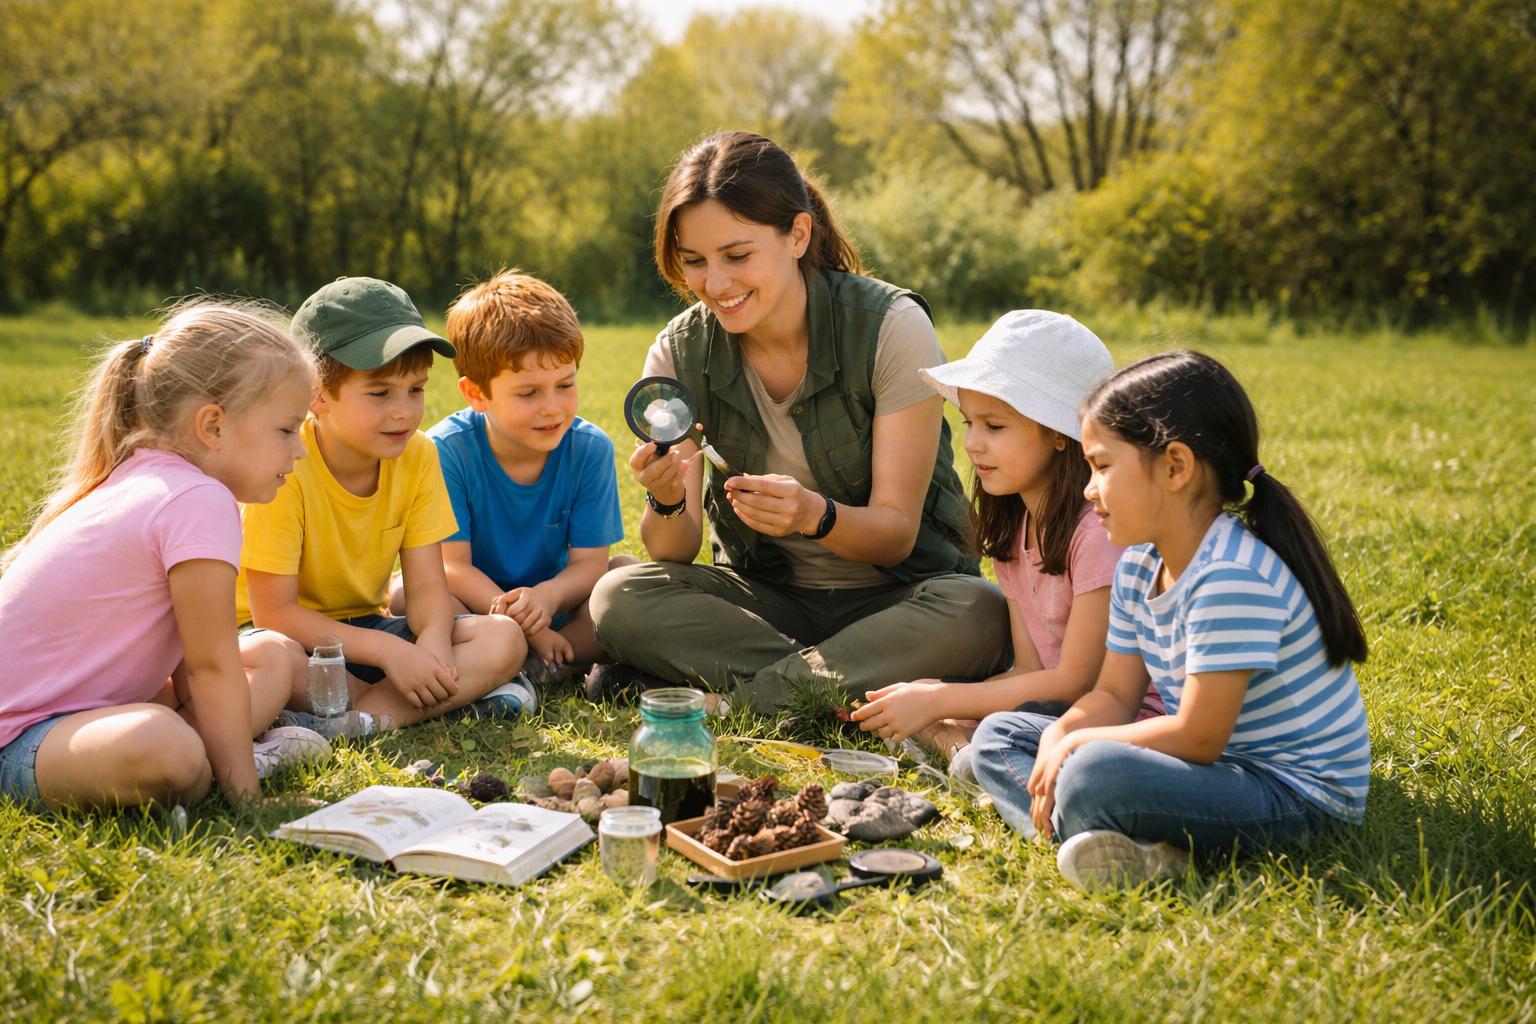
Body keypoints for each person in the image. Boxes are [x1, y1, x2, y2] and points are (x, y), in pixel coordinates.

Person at [588, 131, 1009, 712]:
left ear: (798, 235)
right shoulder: (678, 353)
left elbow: (895, 534)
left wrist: (814, 516)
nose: (716, 284)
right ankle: (838, 685)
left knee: (981, 612)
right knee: (619, 595)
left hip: (901, 597)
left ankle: (737, 699)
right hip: (769, 603)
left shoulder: (891, 326)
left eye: (737, 256)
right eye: (695, 262)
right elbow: (674, 551)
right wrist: (664, 501)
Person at [970, 350, 1371, 890]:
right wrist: (1062, 731)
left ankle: (1079, 828)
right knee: (999, 736)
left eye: (1102, 467)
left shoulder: (1230, 575)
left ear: (1175, 467)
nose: (1088, 488)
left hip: (1294, 795)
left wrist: (1078, 748)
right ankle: (1112, 845)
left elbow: (1199, 737)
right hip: (1216, 769)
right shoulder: (1140, 564)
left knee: (1091, 774)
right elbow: (1114, 695)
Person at [0, 302, 332, 811]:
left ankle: (223, 753)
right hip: (22, 737)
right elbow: (209, 670)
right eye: (287, 430)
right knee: (169, 750)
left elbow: (189, 658)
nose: (300, 450)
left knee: (273, 655)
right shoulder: (197, 500)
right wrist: (248, 802)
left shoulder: (149, 478)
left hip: (89, 713)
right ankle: (232, 763)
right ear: (213, 426)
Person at [848, 311, 1163, 777]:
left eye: (994, 427)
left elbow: (1075, 681)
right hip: (1055, 710)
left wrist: (943, 698)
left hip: (1125, 720)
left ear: (1058, 433)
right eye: (969, 423)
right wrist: (937, 700)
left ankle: (975, 759)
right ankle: (965, 751)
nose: (972, 444)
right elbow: (1029, 671)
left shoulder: (1097, 533)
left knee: (961, 717)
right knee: (940, 711)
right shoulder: (1015, 529)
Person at [238, 277, 528, 729]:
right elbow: (274, 613)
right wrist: (390, 652)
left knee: (503, 638)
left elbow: (427, 588)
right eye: (380, 393)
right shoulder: (285, 462)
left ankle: (357, 720)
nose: (404, 411)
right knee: (279, 662)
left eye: (416, 389)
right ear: (316, 394)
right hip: (283, 642)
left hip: (367, 630)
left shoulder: (418, 454)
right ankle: (409, 706)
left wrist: (433, 643)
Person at [400, 269, 629, 675]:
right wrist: (524, 626)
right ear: (476, 394)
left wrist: (546, 598)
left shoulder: (590, 449)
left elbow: (590, 565)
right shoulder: (445, 451)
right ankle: (542, 661)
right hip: (477, 609)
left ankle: (531, 665)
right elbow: (452, 567)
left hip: (559, 606)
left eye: (565, 385)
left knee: (626, 576)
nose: (553, 408)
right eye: (529, 393)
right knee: (405, 595)